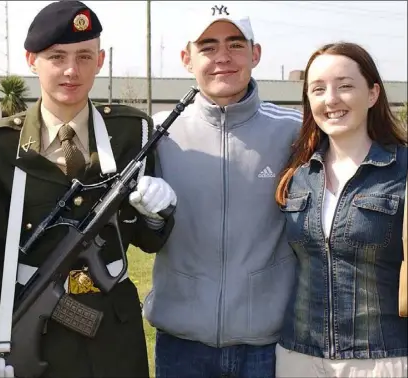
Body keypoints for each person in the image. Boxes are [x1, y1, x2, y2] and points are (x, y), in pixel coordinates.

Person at [0, 1, 177, 377]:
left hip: (113, 341)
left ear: (100, 61)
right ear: (31, 60)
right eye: (57, 57)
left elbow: (149, 242)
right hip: (34, 333)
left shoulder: (132, 135)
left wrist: (157, 216)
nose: (72, 70)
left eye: (85, 56)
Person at [146, 4, 303, 378]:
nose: (222, 58)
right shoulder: (156, 134)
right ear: (186, 58)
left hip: (269, 346)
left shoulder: (296, 132)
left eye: (235, 45)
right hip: (181, 345)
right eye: (208, 46)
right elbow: (140, 232)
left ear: (256, 53)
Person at [274, 41, 407, 378]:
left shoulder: (402, 169)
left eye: (345, 86)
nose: (330, 99)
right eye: (318, 89)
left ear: (373, 93)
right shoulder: (297, 174)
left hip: (382, 358)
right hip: (298, 356)